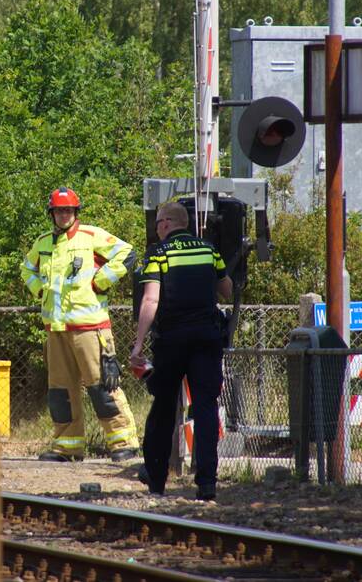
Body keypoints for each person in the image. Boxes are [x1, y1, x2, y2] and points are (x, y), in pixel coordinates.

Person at [21, 186, 140, 462]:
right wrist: (39, 289)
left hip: (90, 328)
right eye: (59, 211)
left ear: (76, 212)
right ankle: (67, 447)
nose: (64, 215)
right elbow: (27, 268)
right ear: (51, 214)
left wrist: (101, 281)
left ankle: (123, 443)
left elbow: (127, 254)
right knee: (60, 393)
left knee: (102, 387)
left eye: (68, 210)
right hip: (57, 331)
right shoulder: (43, 243)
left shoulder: (91, 236)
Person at [129, 200, 232, 501]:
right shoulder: (209, 250)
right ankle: (207, 484)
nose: (156, 228)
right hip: (206, 338)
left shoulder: (158, 254)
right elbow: (226, 290)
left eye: (158, 222)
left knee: (163, 407)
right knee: (205, 407)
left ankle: (157, 480)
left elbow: (150, 301)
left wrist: (138, 344)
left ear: (166, 223)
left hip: (172, 340)